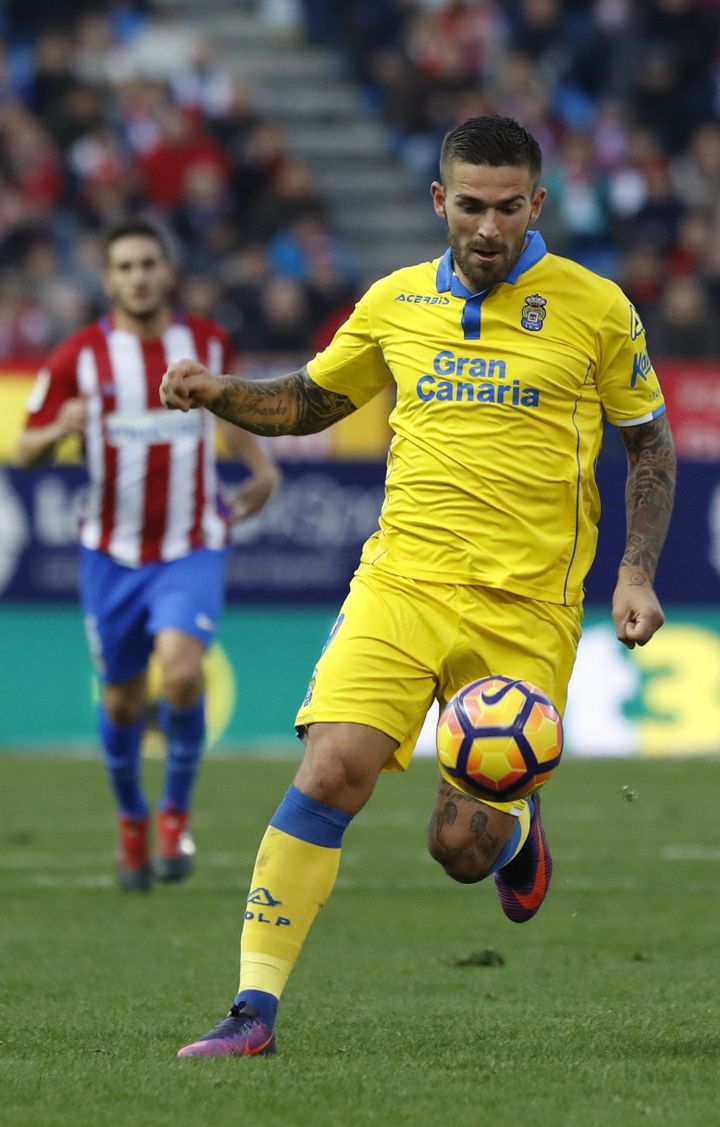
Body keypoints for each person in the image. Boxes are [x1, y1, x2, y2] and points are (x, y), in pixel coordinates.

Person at [158, 116, 676, 1057]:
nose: (488, 227)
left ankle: (517, 839)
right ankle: (252, 1012)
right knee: (330, 769)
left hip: (527, 606)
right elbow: (310, 401)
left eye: (508, 207)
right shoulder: (394, 301)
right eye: (470, 205)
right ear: (440, 200)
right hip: (402, 582)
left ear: (538, 205)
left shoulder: (596, 307)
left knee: (459, 848)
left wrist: (635, 570)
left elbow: (648, 442)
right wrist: (217, 390)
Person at [15, 218, 279, 892]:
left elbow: (234, 412)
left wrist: (263, 467)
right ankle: (131, 819)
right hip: (111, 554)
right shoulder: (78, 357)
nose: (137, 276)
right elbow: (23, 448)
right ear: (108, 280)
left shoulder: (204, 342)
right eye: (124, 267)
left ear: (167, 272)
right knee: (126, 701)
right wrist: (55, 429)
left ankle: (173, 815)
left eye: (147, 264)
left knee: (183, 674)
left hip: (191, 543)